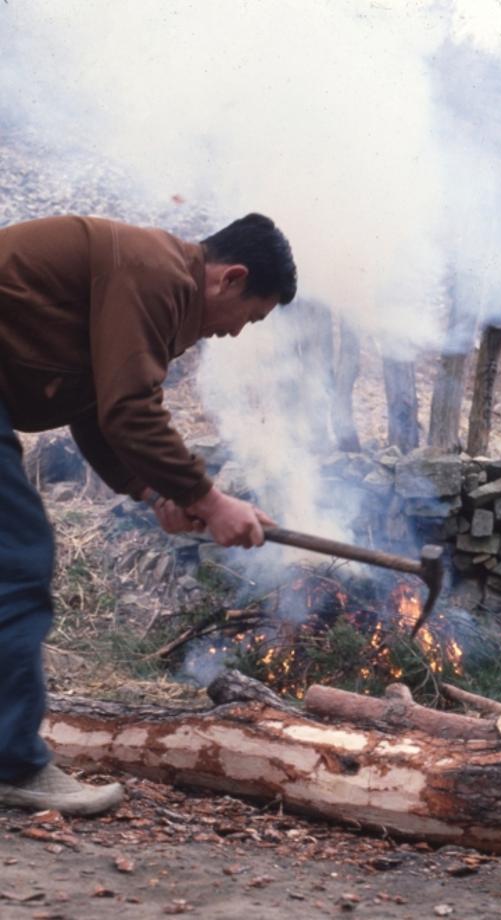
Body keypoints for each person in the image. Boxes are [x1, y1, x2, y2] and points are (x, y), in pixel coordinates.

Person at [0, 212, 297, 815]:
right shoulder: (155, 272)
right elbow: (128, 408)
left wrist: (157, 492)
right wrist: (209, 500)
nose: (239, 333)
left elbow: (91, 403)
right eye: (252, 317)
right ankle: (15, 765)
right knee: (17, 563)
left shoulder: (151, 279)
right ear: (231, 279)